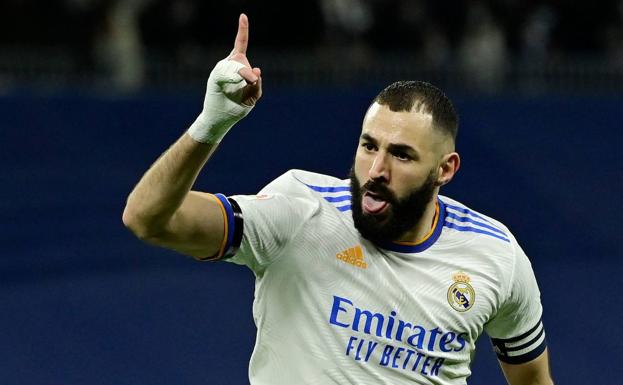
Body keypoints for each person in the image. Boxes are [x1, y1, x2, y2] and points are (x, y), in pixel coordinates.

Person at [122, 14, 554, 385]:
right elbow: (148, 219)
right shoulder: (300, 210)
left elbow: (533, 380)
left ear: (445, 169)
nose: (377, 170)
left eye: (401, 155)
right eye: (369, 146)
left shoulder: (496, 257)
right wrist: (211, 124)